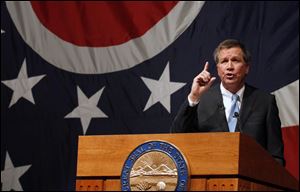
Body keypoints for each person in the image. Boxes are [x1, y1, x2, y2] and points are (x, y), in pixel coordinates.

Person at [170, 39, 285, 166]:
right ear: (218, 69)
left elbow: (276, 156)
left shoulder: (265, 102)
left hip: (252, 181)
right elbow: (176, 137)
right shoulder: (201, 100)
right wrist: (194, 97)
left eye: (235, 60)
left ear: (246, 68)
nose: (230, 67)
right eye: (224, 61)